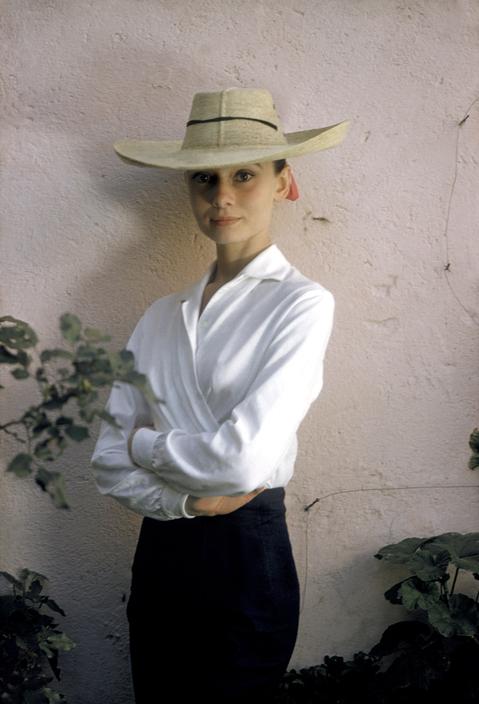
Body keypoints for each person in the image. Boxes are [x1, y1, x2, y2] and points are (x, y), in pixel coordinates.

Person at [90, 87, 350, 703]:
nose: (222, 196)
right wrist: (186, 505)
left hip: (247, 553)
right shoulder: (158, 317)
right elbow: (104, 458)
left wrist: (146, 443)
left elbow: (243, 463)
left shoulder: (302, 304)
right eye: (204, 178)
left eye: (245, 175)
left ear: (286, 183)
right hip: (161, 547)